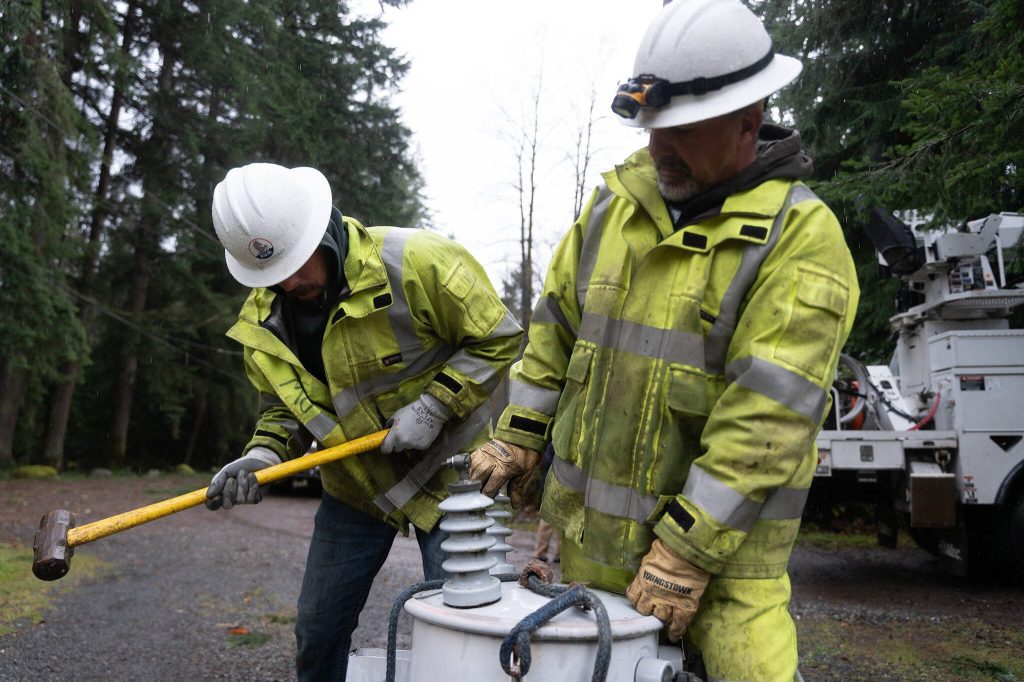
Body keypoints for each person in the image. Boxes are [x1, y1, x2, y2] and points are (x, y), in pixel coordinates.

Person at [469, 0, 859, 679]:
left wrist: (685, 555)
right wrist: (519, 434)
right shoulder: (612, 211)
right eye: (653, 127)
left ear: (750, 118)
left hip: (717, 581)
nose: (657, 148)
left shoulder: (799, 239)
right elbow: (554, 332)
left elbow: (765, 420)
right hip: (578, 557)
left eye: (680, 129)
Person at [204, 162, 523, 681]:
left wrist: (436, 404)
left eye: (295, 262)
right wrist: (263, 455)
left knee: (470, 634)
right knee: (316, 634)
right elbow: (285, 408)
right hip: (355, 493)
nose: (288, 281)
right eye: (271, 272)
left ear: (321, 228)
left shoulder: (418, 262)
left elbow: (499, 336)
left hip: (452, 483)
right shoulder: (264, 323)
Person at [532, 444, 560, 562]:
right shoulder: (557, 444)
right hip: (557, 484)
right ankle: (558, 554)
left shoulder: (551, 444)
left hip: (550, 485)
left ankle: (541, 551)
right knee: (563, 519)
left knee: (548, 519)